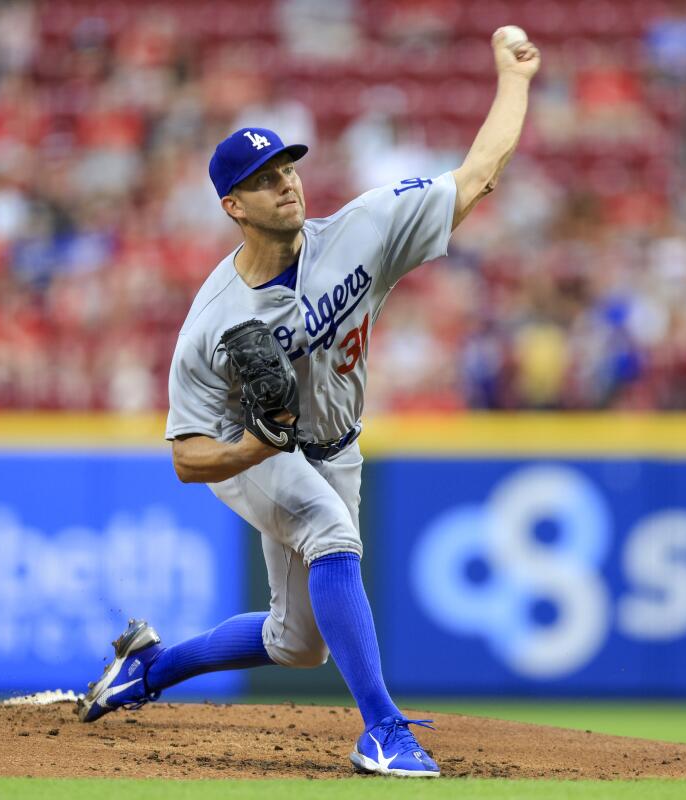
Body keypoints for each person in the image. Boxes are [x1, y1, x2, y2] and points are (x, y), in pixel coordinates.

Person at [77, 28, 541, 778]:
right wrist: (254, 448)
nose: (287, 182)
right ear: (233, 205)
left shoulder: (361, 232)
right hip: (250, 451)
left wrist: (512, 79)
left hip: (337, 446)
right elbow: (187, 459)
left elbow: (479, 173)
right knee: (330, 533)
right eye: (265, 178)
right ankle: (384, 729)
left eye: (288, 166)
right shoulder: (211, 323)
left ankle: (147, 668)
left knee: (298, 641)